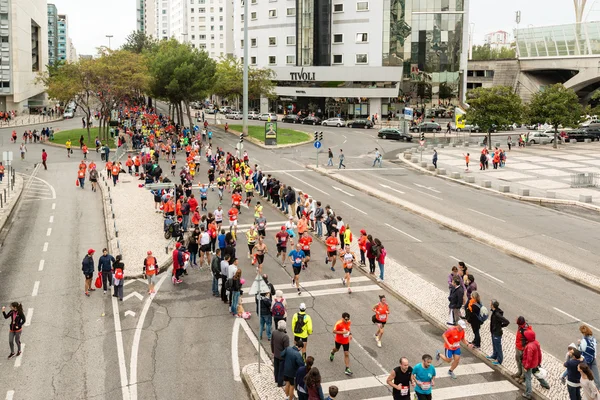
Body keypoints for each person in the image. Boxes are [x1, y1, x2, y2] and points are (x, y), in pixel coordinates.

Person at [522, 329, 551, 399]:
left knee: (528, 378)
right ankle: (545, 384)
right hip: (535, 363)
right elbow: (539, 353)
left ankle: (528, 393)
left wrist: (526, 367)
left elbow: (529, 359)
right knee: (537, 374)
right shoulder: (536, 343)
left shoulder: (529, 346)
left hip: (529, 365)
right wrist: (539, 362)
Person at [487, 299, 509, 365]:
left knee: (498, 346)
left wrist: (500, 326)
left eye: (490, 304)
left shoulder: (497, 314)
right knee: (494, 344)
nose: (489, 305)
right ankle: (494, 355)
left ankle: (499, 360)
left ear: (493, 305)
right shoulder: (494, 312)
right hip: (494, 331)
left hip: (497, 332)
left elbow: (506, 321)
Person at [579, 325, 600, 389]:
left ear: (583, 333)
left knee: (583, 371)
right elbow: (595, 348)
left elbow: (581, 350)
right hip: (593, 358)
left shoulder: (584, 341)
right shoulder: (593, 338)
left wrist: (579, 343)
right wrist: (595, 355)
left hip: (586, 359)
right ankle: (598, 387)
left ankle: (583, 384)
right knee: (596, 374)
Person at [272, 320, 290, 387]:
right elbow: (286, 349)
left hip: (276, 354)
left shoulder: (274, 332)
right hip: (282, 356)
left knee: (276, 368)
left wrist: (273, 351)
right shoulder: (285, 337)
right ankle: (280, 383)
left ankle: (276, 379)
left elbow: (272, 343)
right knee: (281, 370)